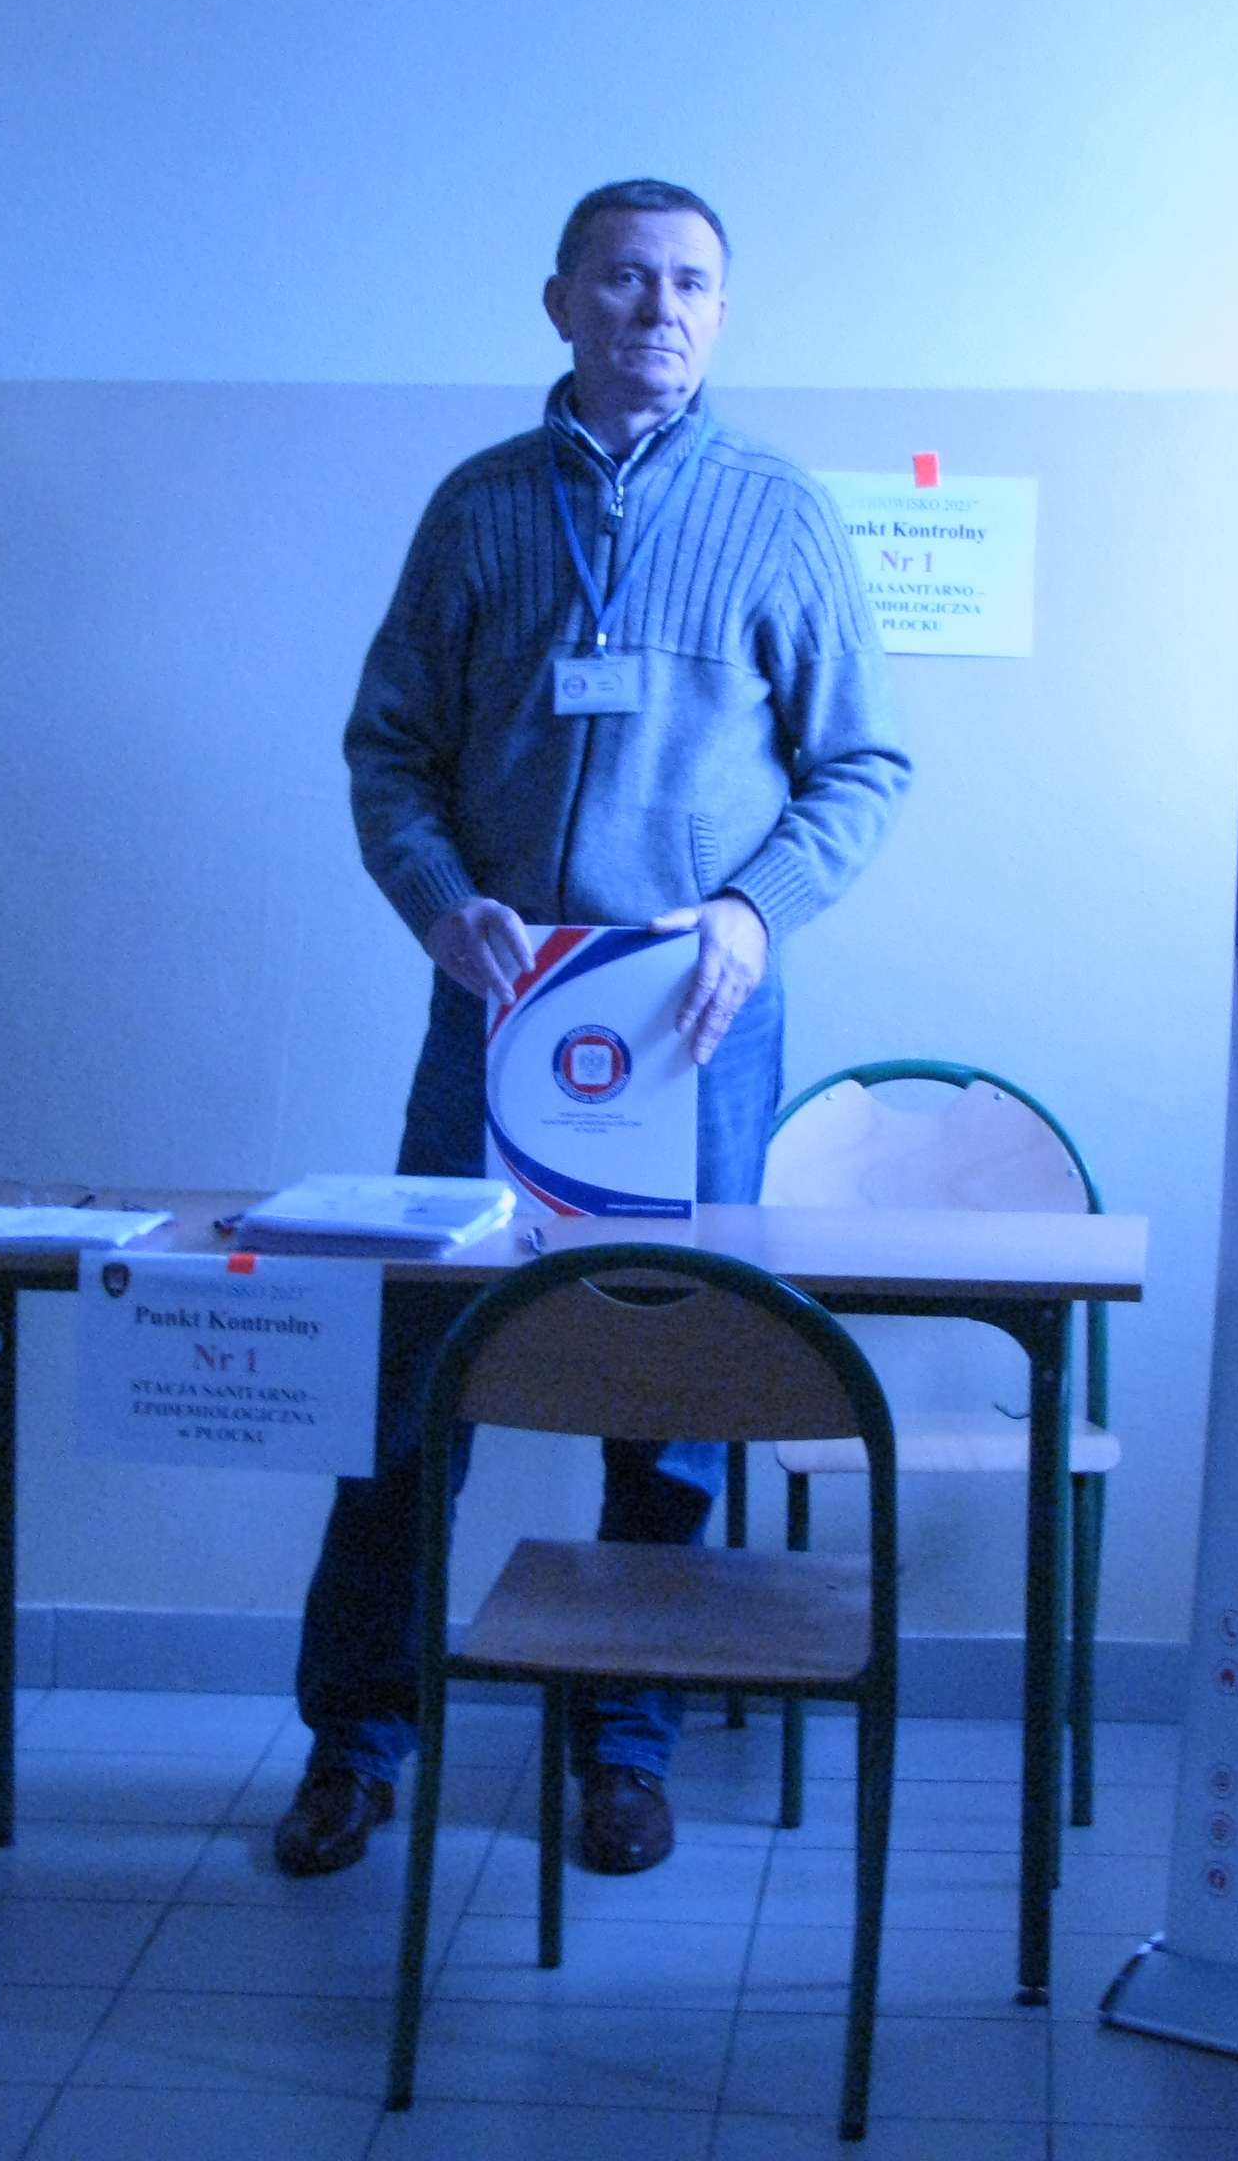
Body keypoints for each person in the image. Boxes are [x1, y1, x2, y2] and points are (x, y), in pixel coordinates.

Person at [273, 179, 913, 1880]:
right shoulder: (478, 509)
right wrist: (437, 903)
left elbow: (863, 764)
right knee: (417, 1378)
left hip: (695, 1030)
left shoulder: (779, 514)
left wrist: (752, 911)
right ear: (559, 300)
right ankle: (355, 1740)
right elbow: (388, 753)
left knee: (670, 1380)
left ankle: (626, 1749)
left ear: (724, 311)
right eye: (625, 279)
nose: (660, 310)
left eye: (692, 283)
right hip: (494, 1019)